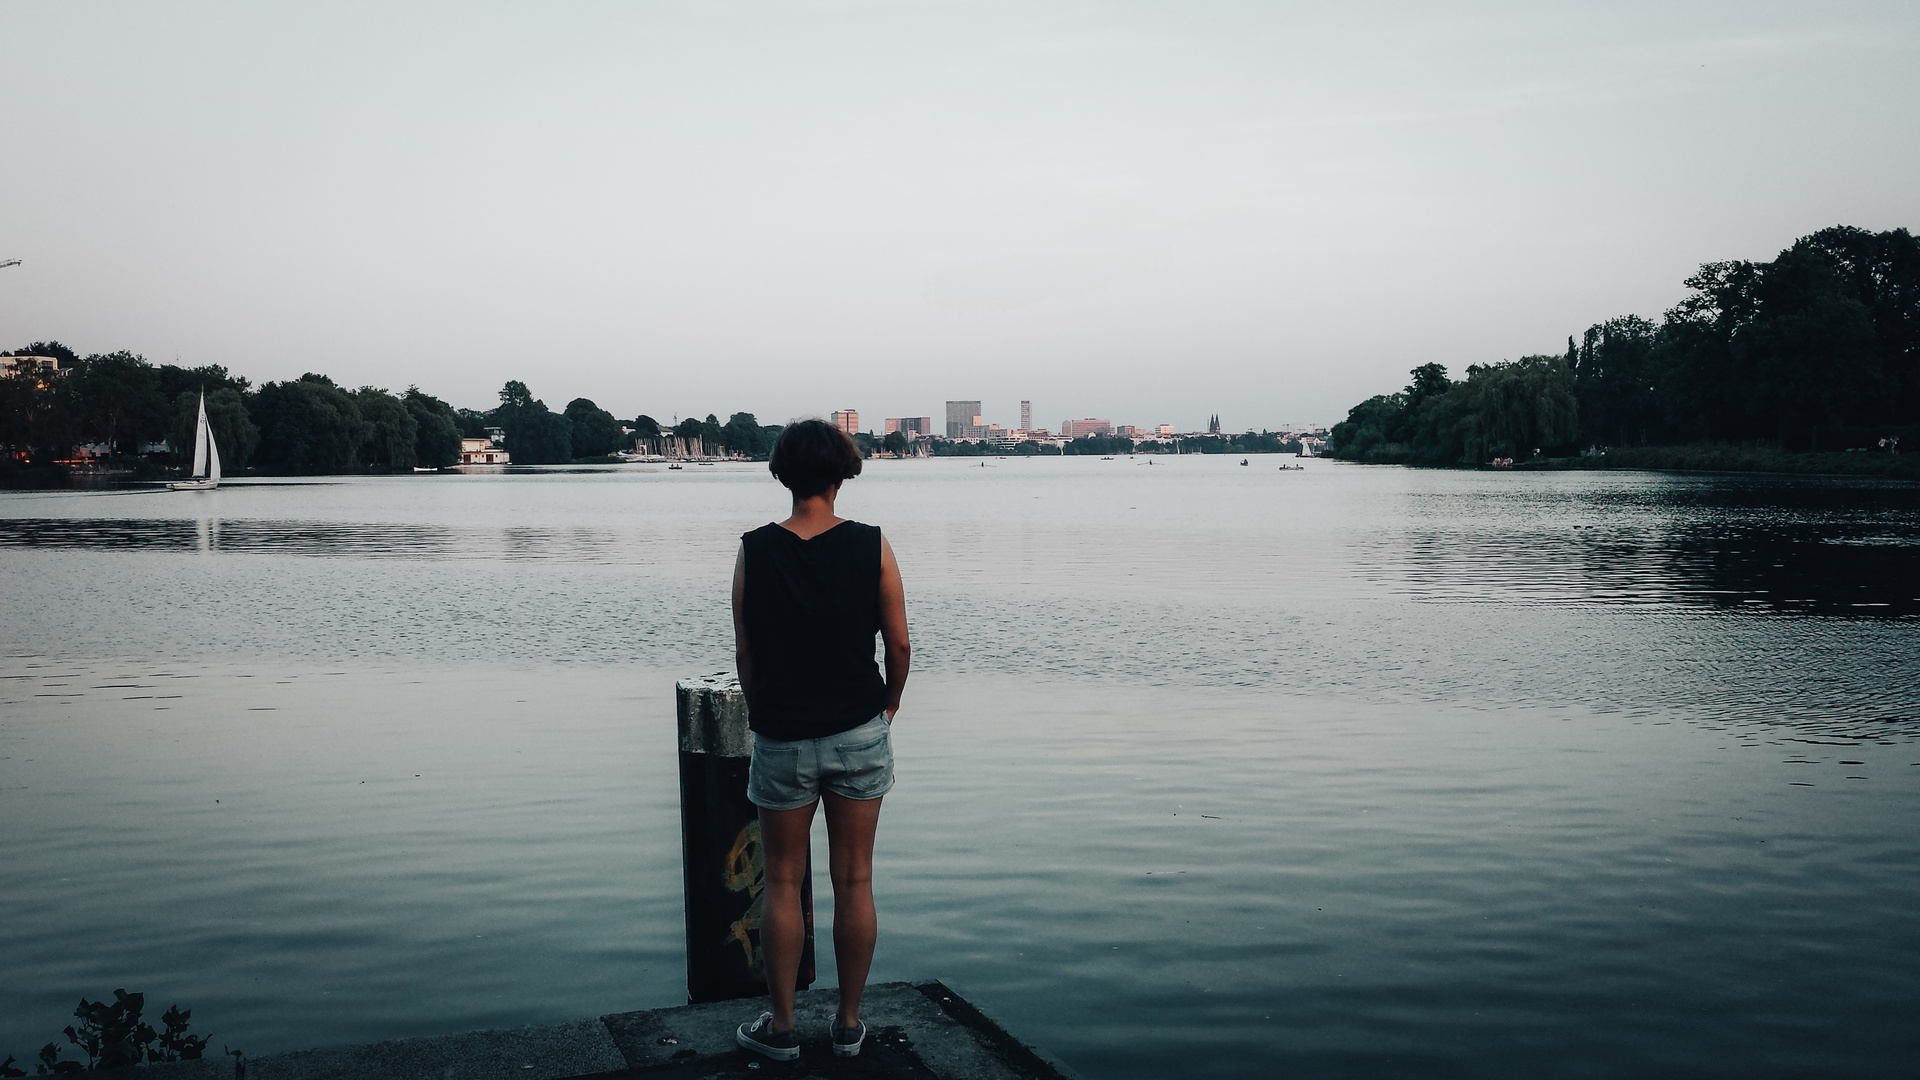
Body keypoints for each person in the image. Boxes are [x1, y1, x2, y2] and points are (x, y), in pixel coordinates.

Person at [732, 419, 911, 1062]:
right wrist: (888, 702)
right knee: (855, 879)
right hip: (858, 729)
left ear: (783, 474)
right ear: (842, 474)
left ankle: (781, 1030)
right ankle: (848, 1025)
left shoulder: (755, 549)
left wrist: (764, 715)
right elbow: (898, 643)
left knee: (781, 881)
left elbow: (746, 654)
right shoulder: (872, 545)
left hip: (782, 734)